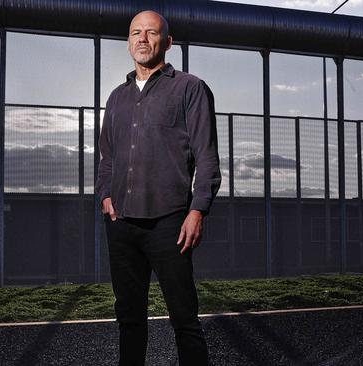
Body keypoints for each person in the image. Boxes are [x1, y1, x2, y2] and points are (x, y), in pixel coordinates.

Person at [95, 9, 221, 366]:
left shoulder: (190, 88)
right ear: (128, 41)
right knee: (129, 320)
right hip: (121, 224)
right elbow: (107, 156)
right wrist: (104, 194)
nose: (143, 39)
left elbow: (206, 156)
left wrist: (197, 210)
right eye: (136, 32)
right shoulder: (117, 97)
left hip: (170, 222)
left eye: (151, 33)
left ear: (167, 42)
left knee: (185, 319)